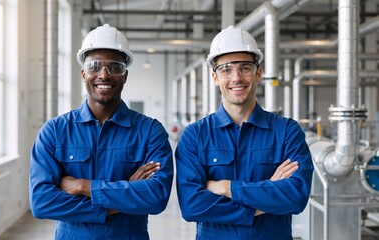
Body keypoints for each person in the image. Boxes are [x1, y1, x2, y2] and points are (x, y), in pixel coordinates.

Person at [29, 24, 174, 240]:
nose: (104, 75)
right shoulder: (55, 131)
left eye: (115, 67)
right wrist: (124, 195)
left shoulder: (150, 131)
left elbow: (155, 197)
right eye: (95, 66)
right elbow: (42, 203)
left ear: (125, 75)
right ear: (83, 73)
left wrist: (81, 186)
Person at [175, 25, 314, 239]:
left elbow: (296, 197)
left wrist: (224, 187)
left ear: (258, 73)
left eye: (245, 68)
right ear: (215, 77)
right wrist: (267, 191)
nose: (237, 78)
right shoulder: (195, 136)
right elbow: (192, 206)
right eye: (226, 69)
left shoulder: (287, 131)